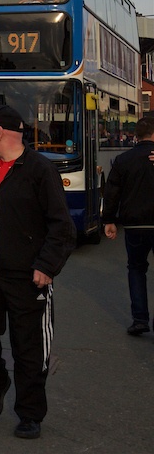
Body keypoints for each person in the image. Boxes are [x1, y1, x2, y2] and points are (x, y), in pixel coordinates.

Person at [0, 106, 75, 441]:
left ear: (0, 131)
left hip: (28, 275)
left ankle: (30, 413)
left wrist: (46, 266)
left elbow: (61, 226)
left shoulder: (39, 170)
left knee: (28, 347)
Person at [102, 115, 154, 336]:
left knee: (136, 269)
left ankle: (140, 319)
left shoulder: (123, 160)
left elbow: (112, 192)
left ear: (136, 135)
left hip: (134, 225)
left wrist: (109, 220)